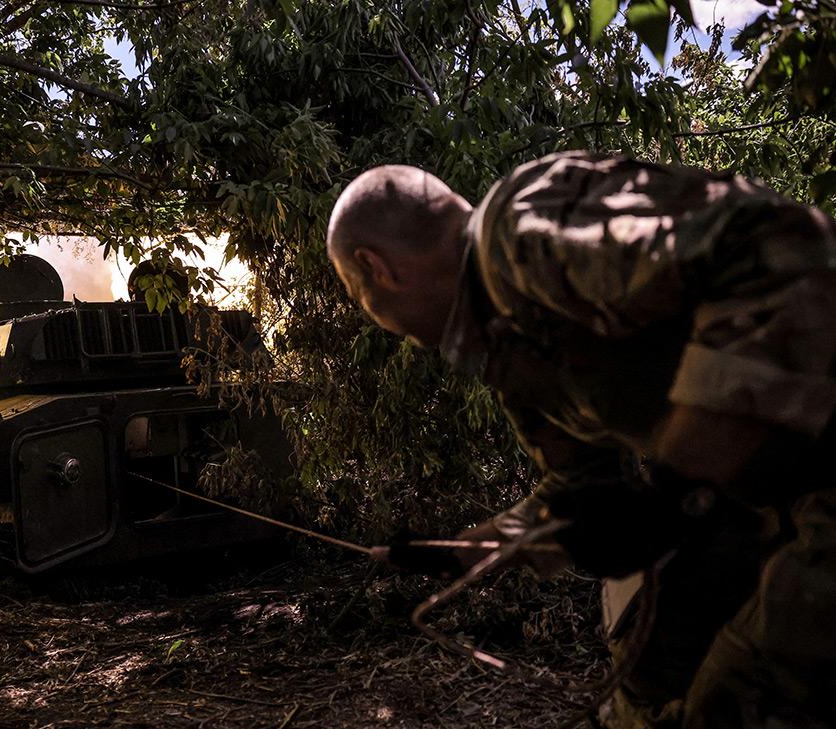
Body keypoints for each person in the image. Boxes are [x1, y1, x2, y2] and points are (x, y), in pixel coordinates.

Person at [326, 151, 836, 728]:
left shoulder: (520, 234)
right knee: (647, 676)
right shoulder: (504, 341)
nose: (370, 313)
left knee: (739, 698)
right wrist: (464, 553)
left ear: (377, 269)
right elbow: (580, 487)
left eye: (355, 294)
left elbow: (776, 245)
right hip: (768, 505)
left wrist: (679, 486)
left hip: (816, 486)